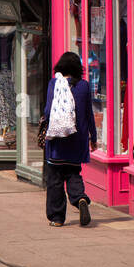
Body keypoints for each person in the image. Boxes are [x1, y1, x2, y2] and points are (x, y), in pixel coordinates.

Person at [42, 51, 98, 228]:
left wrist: (44, 123)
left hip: (58, 140)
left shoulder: (54, 83)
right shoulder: (84, 86)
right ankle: (80, 198)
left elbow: (48, 111)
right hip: (77, 139)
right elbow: (89, 114)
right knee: (74, 174)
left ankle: (57, 218)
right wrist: (93, 137)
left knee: (55, 178)